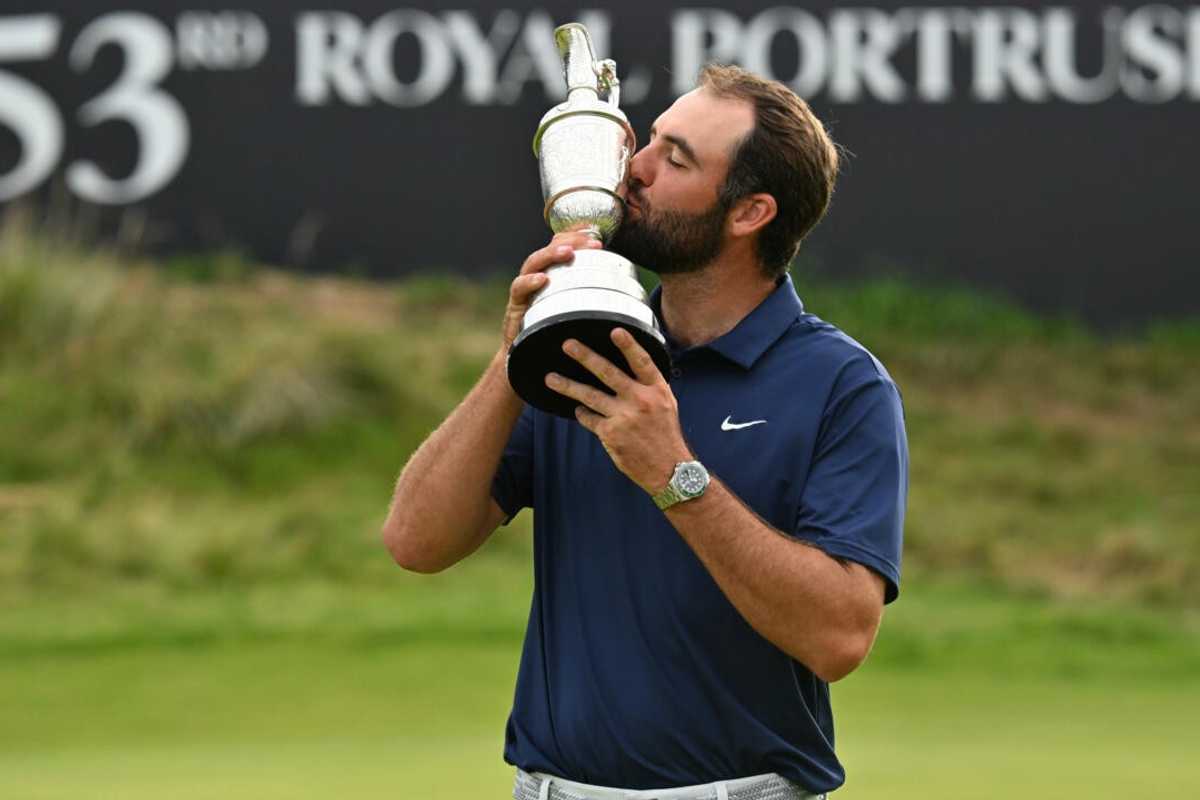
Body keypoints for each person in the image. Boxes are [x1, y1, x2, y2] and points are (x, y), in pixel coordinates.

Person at [383, 64, 908, 800]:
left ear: (750, 213)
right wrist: (512, 357)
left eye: (676, 158)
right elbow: (416, 541)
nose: (636, 170)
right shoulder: (581, 346)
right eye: (651, 140)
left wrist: (674, 474)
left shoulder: (841, 385)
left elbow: (839, 637)